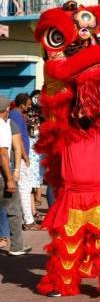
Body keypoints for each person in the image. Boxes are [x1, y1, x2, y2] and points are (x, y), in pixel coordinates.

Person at [0, 96, 31, 255]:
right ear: (6, 110)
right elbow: (3, 154)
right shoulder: (4, 126)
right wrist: (10, 179)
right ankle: (17, 246)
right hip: (2, 175)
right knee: (13, 210)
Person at [9, 93, 36, 229]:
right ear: (22, 104)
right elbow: (18, 139)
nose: (30, 106)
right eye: (28, 104)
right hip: (20, 157)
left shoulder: (17, 115)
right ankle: (28, 220)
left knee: (24, 188)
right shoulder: (16, 115)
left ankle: (25, 219)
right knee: (25, 188)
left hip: (21, 156)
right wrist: (25, 157)